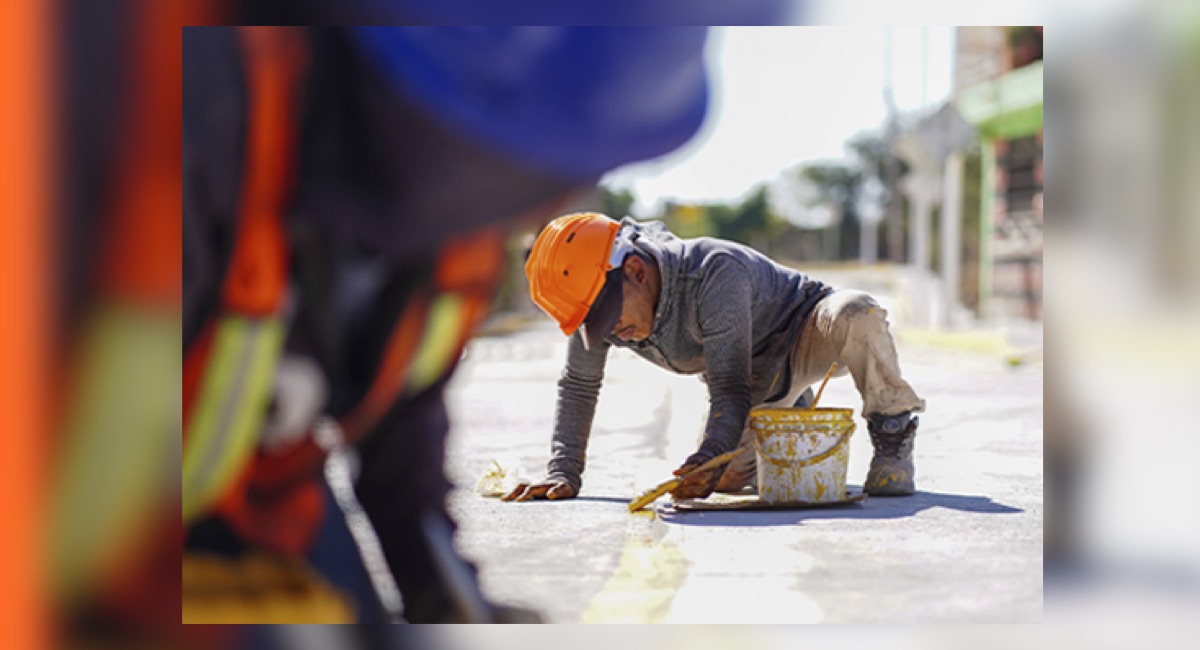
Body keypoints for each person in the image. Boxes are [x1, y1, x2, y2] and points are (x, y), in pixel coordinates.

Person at [504, 213, 926, 503]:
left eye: (611, 318)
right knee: (721, 482)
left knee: (858, 312)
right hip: (757, 378)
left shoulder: (712, 273)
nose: (612, 333)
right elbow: (578, 385)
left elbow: (729, 388)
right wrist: (564, 471)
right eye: (597, 325)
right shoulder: (602, 306)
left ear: (634, 271)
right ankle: (785, 409)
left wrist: (712, 448)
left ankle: (893, 431)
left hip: (804, 330)